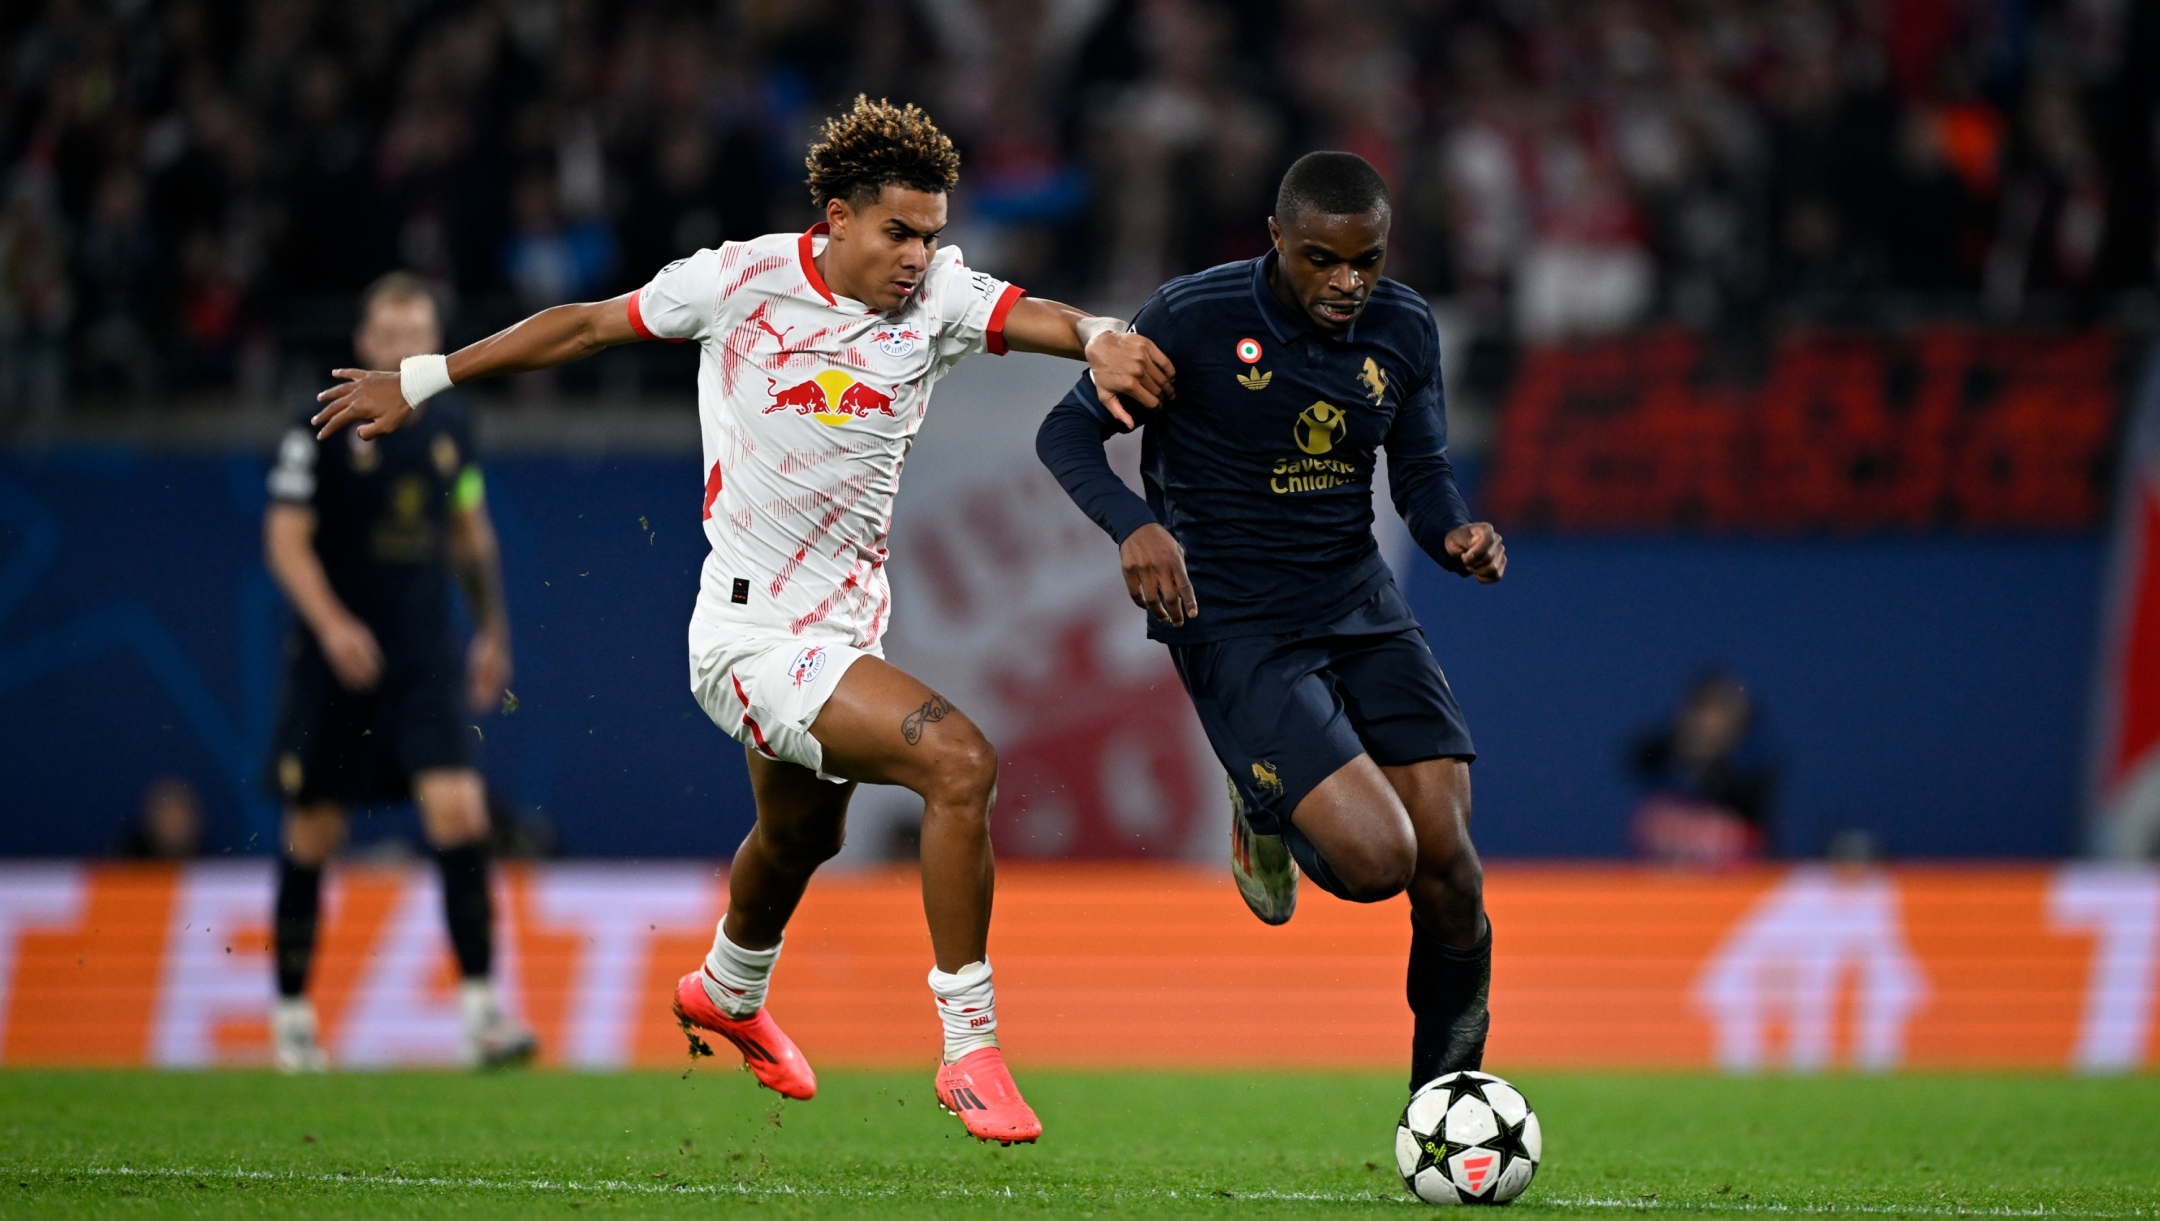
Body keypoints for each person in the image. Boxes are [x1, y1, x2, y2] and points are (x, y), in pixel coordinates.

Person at [307, 97, 1175, 1145]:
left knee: (805, 831)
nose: (919, 255)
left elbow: (1049, 318)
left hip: (844, 638)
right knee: (959, 763)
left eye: (932, 234)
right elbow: (584, 324)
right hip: (747, 640)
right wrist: (425, 376)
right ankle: (971, 1046)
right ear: (838, 217)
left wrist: (1102, 339)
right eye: (898, 232)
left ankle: (727, 986)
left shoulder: (939, 297)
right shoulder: (737, 280)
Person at [1036, 152, 1506, 1095]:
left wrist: (1453, 528)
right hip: (1236, 624)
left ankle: (1442, 1114)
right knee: (1380, 863)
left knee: (1450, 868)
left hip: (1358, 602)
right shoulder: (1193, 319)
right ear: (1277, 241)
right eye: (1323, 259)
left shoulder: (1405, 326)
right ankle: (1263, 807)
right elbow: (1067, 432)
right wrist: (1135, 525)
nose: (1348, 283)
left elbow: (1417, 473)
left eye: (1366, 260)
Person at [263, 271, 536, 1073]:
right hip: (334, 663)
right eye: (392, 333)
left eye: (422, 331)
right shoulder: (315, 421)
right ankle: (290, 1016)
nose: (408, 345)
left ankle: (483, 1014)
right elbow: (284, 539)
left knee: (459, 811)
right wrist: (333, 622)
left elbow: (469, 527)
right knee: (315, 830)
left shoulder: (453, 426)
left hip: (423, 659)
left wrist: (491, 629)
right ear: (365, 343)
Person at [1627, 670, 1779, 866]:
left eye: (1720, 712)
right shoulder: (1662, 758)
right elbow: (1639, 757)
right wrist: (1685, 751)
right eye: (1702, 709)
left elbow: (1750, 799)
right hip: (1663, 885)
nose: (1708, 722)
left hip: (1733, 887)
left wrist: (1709, 766)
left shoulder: (1754, 771)